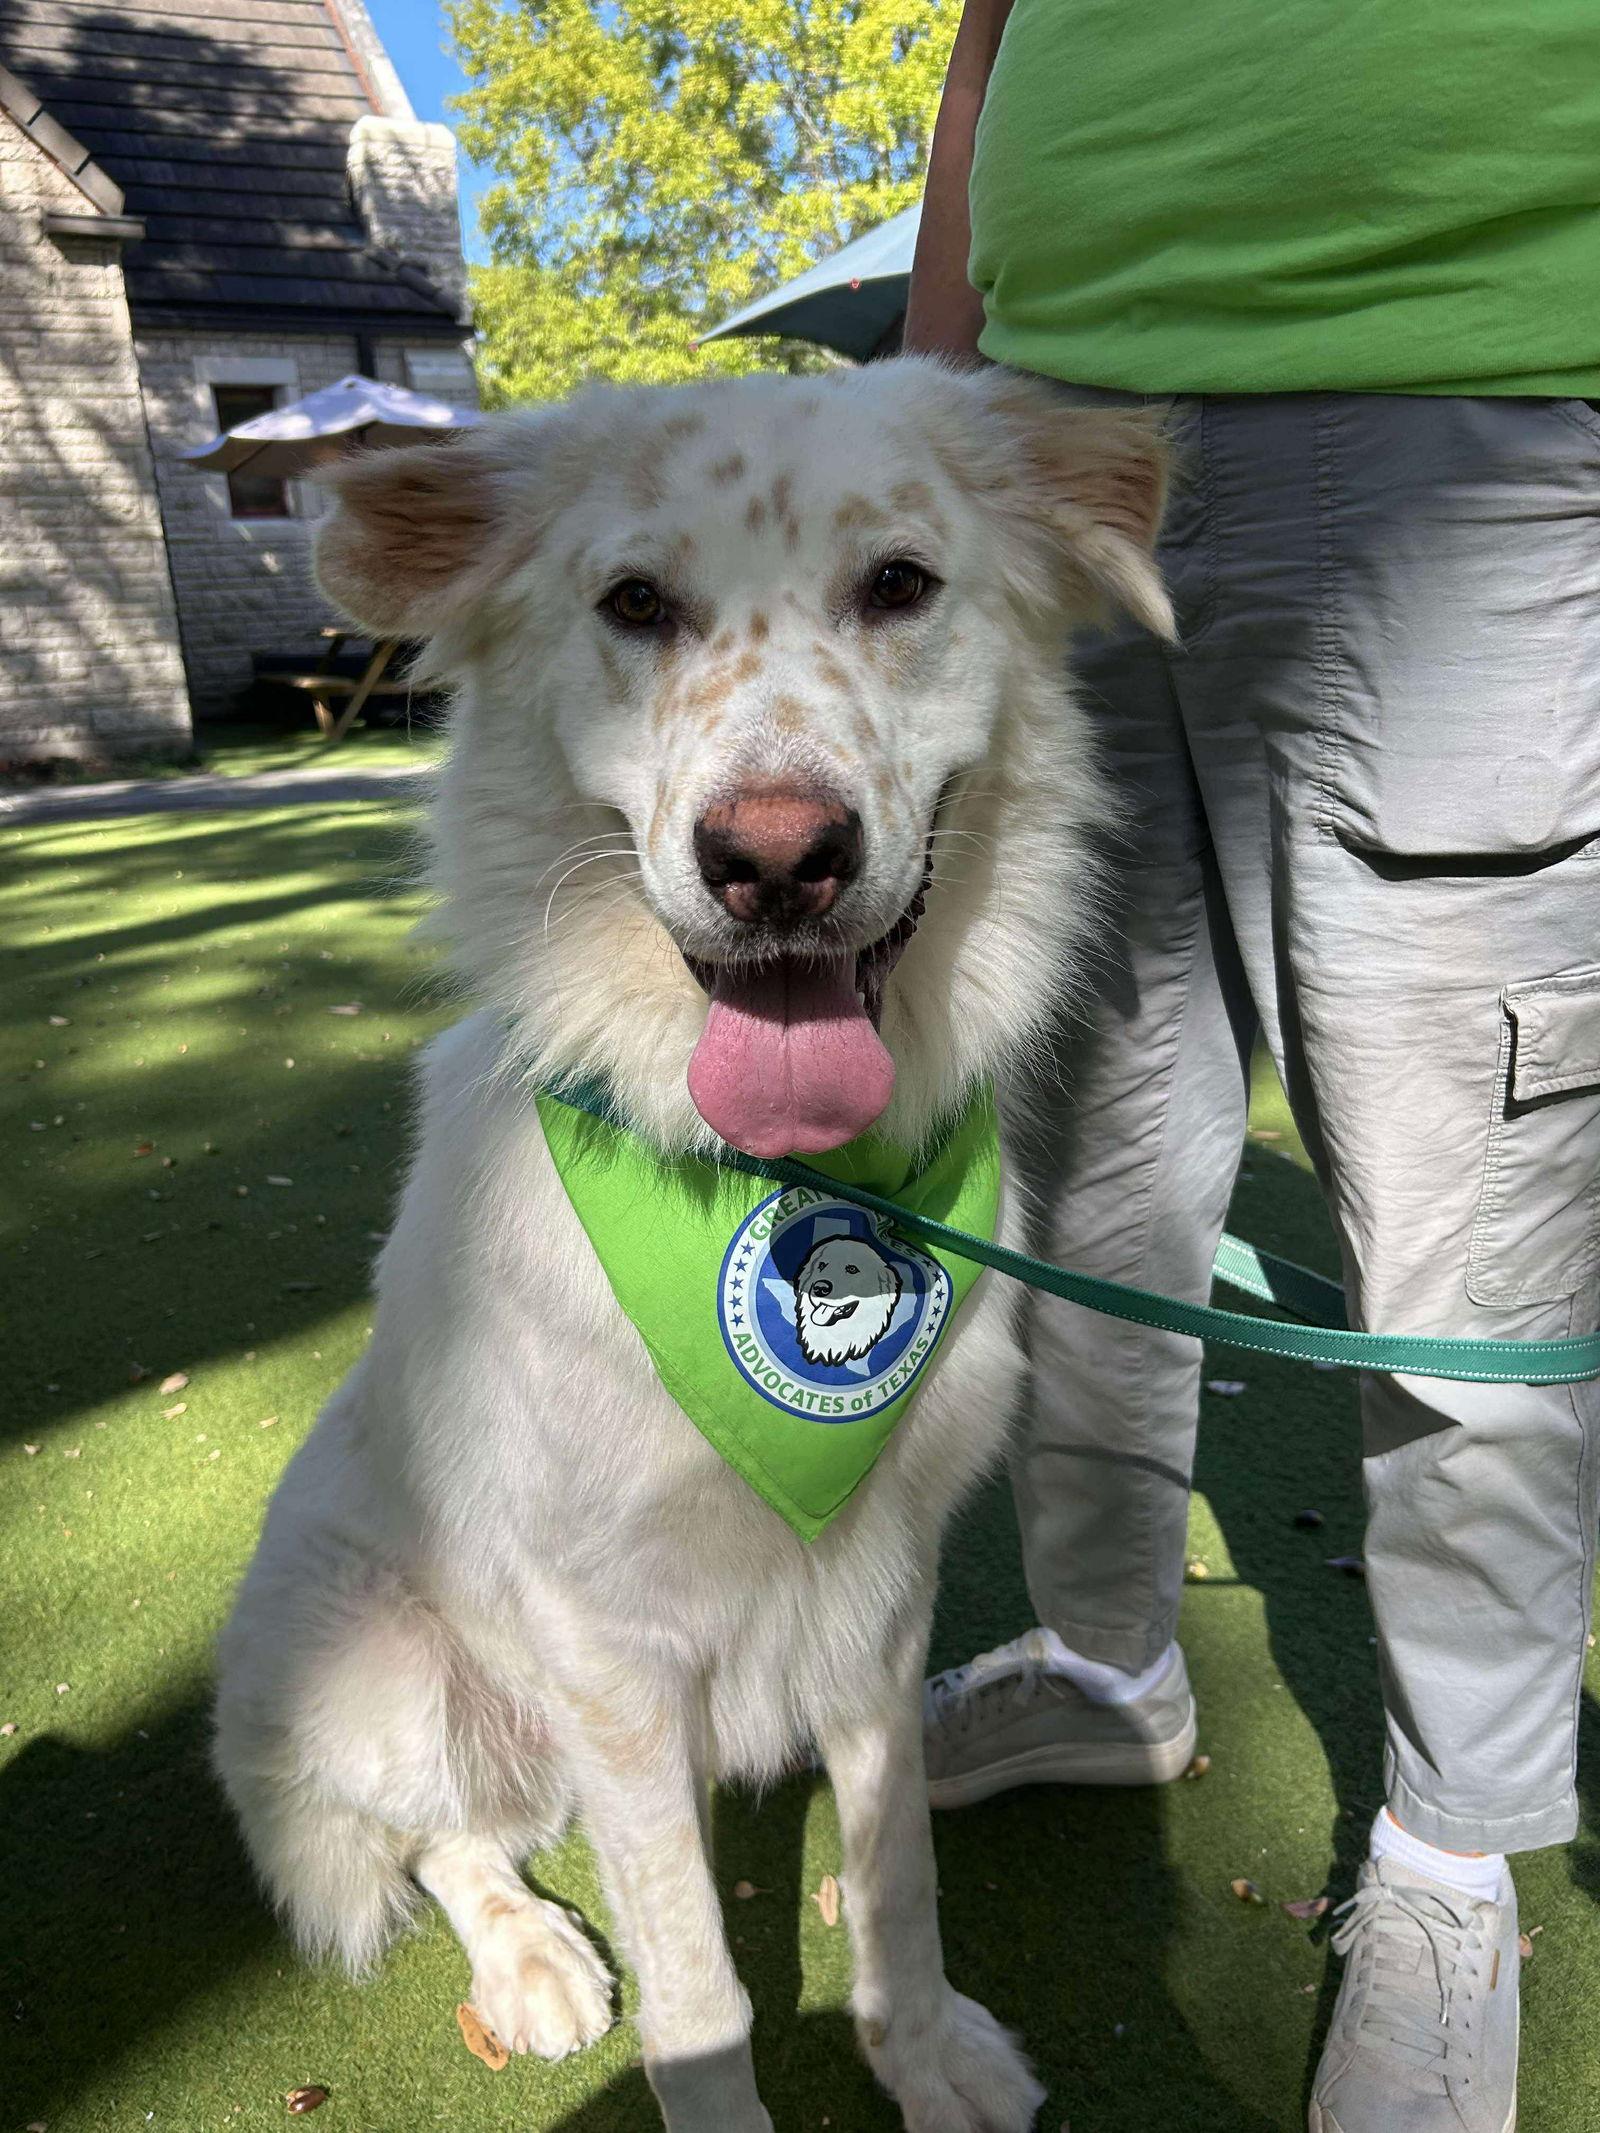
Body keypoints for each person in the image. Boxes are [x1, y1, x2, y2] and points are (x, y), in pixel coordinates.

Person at [906, 4, 1600, 2128]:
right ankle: (1108, 1662)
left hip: (1465, 406)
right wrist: (932, 404)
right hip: (1039, 455)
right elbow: (987, 34)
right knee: (1078, 1164)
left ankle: (1450, 1846)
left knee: (1466, 1217)